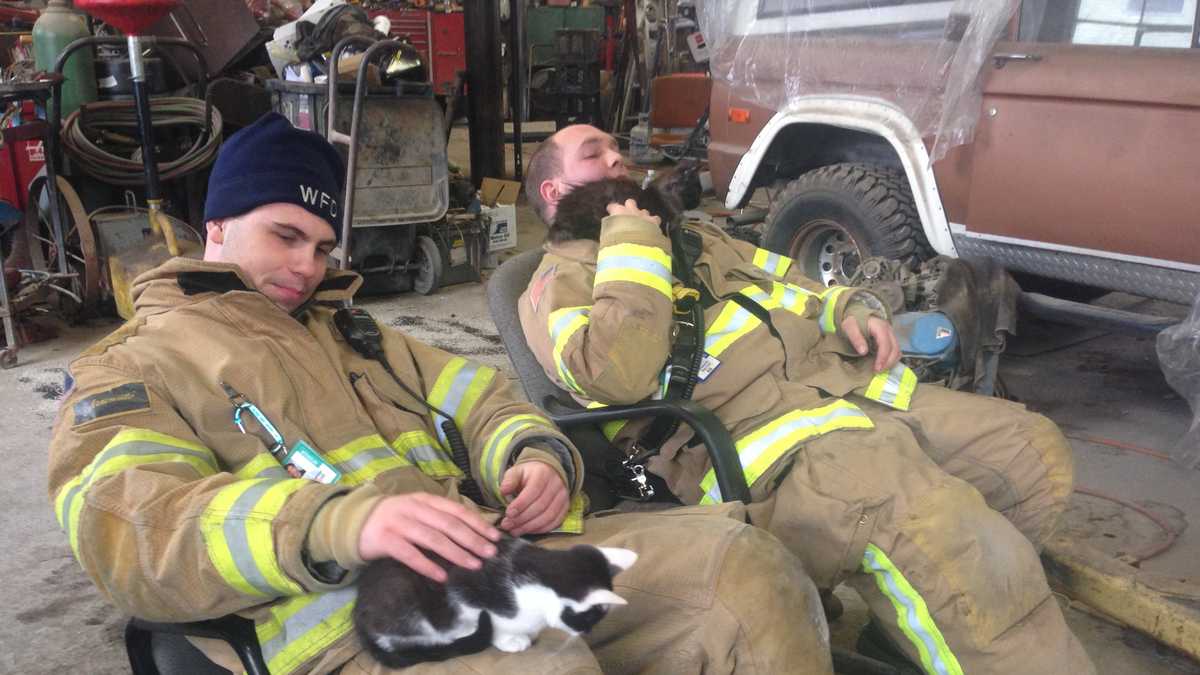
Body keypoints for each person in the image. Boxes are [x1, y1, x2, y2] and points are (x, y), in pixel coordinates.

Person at [46, 114, 835, 675]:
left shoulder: (355, 333)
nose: (308, 267)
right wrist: (339, 521)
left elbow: (489, 400)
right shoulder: (133, 366)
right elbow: (131, 533)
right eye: (284, 236)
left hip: (495, 559)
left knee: (747, 571)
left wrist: (536, 455)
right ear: (216, 226)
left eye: (322, 246)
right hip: (346, 630)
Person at [518, 124, 1095, 674]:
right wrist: (633, 238)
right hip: (752, 436)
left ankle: (908, 637)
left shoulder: (699, 240)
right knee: (936, 526)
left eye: (618, 147)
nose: (619, 158)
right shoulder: (557, 279)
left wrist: (847, 307)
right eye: (595, 154)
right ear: (554, 189)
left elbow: (792, 282)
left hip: (843, 389)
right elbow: (614, 374)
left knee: (1027, 453)